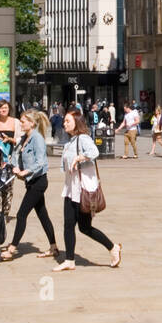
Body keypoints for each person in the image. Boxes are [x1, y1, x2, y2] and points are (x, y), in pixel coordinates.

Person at [54, 109, 121, 271]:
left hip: (83, 190)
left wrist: (79, 158)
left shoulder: (83, 138)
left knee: (85, 228)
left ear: (77, 122)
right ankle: (69, 260)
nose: (65, 124)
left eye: (68, 121)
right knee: (68, 225)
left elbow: (94, 152)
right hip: (70, 190)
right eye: (64, 121)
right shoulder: (69, 142)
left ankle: (113, 247)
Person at [2, 110, 59, 262]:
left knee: (21, 215)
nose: (21, 124)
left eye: (23, 121)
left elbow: (40, 162)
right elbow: (16, 153)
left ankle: (12, 249)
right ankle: (53, 247)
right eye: (20, 121)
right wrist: (13, 166)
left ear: (32, 123)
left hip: (39, 182)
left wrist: (25, 171)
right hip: (31, 182)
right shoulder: (24, 138)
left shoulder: (37, 138)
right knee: (43, 215)